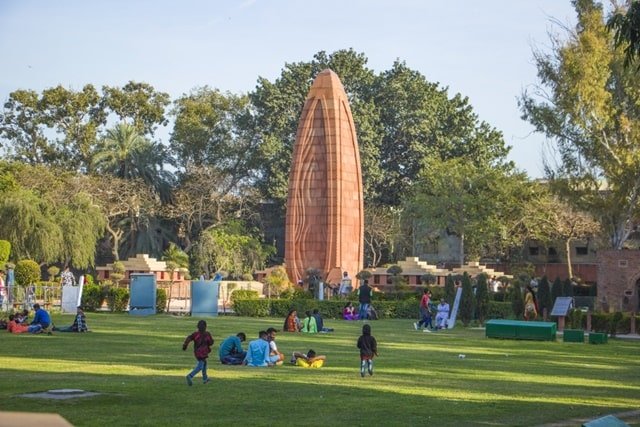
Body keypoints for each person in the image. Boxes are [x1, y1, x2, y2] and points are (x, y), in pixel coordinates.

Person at [182, 320, 214, 386]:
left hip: (197, 352)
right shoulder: (207, 334)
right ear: (206, 327)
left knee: (204, 363)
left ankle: (205, 378)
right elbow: (211, 342)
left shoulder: (195, 334)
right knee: (200, 366)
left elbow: (188, 339)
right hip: (203, 352)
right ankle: (190, 376)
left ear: (197, 327)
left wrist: (185, 346)